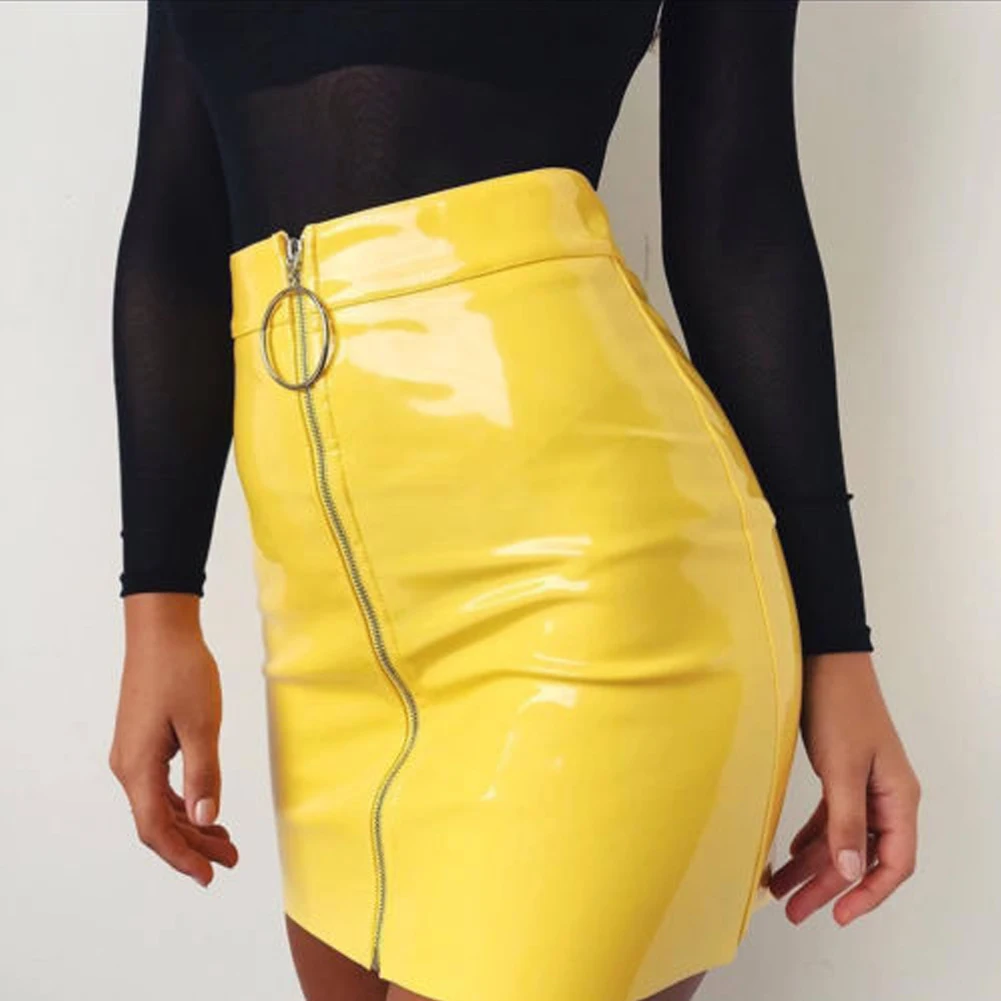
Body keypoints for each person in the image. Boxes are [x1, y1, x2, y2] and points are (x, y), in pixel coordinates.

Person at [107, 3, 921, 1001]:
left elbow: (738, 222)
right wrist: (158, 609)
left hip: (593, 591)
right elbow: (175, 217)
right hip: (327, 630)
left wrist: (837, 645)